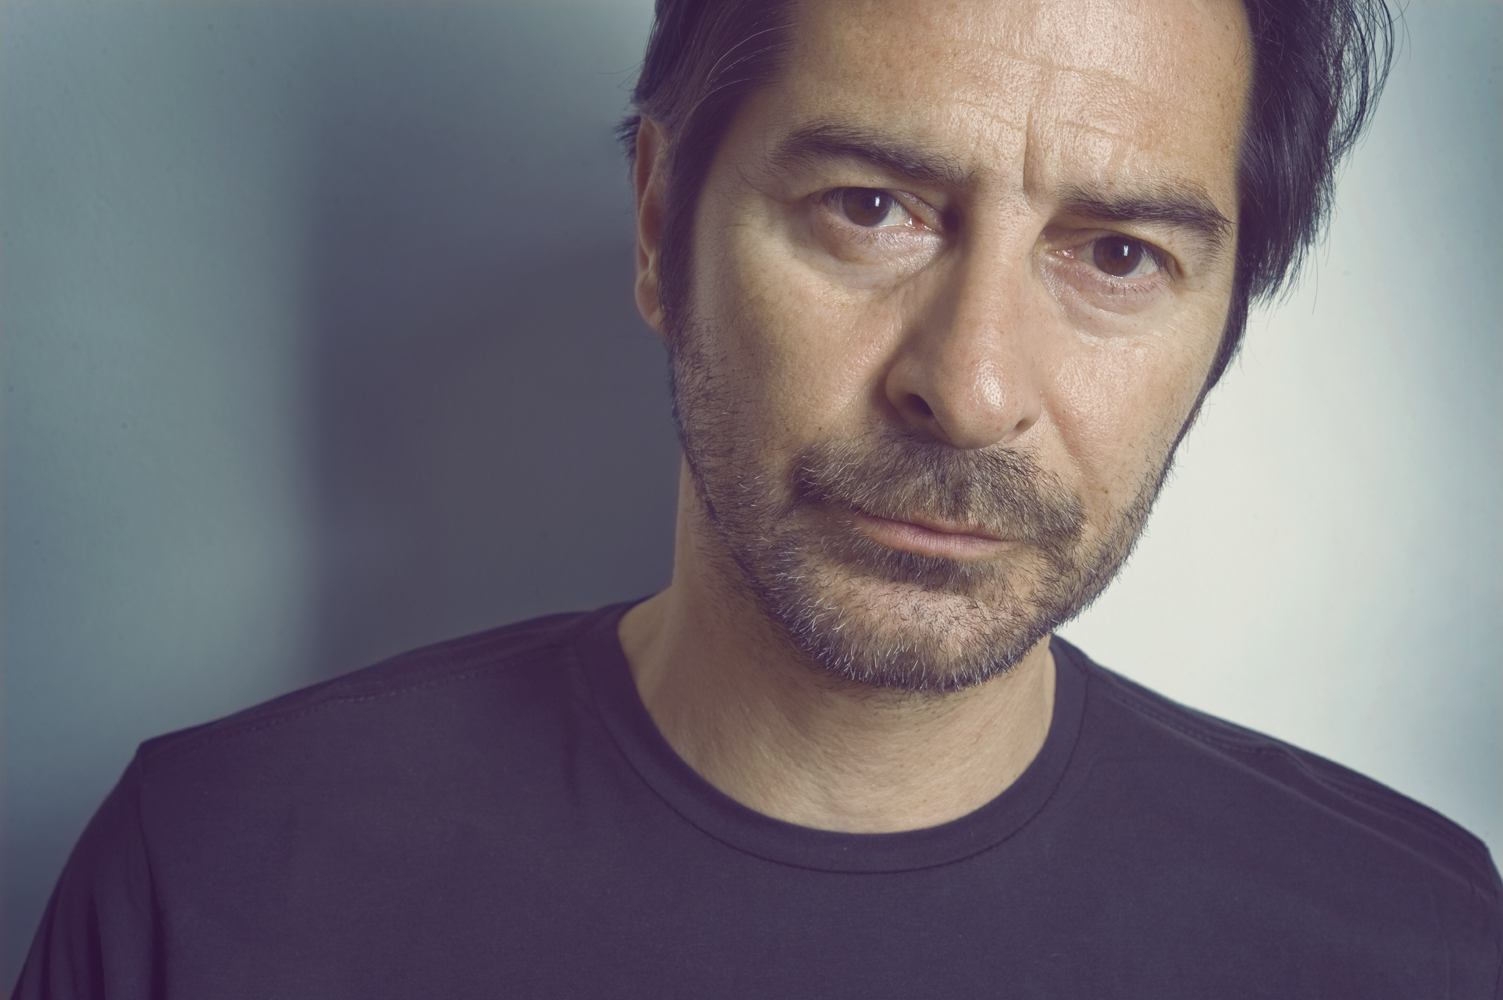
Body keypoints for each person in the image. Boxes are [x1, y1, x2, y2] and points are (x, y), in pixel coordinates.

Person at [14, 0, 1500, 995]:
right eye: (871, 209)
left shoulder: (1415, 945)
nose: (971, 385)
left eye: (1117, 254)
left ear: (1224, 324)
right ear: (661, 223)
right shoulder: (212, 876)